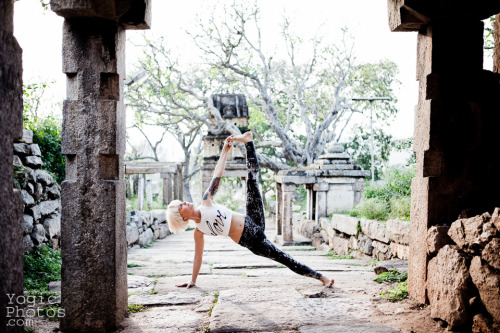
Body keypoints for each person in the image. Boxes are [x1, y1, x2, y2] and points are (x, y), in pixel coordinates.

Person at [166, 132, 334, 289]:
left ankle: (248, 142)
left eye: (182, 202)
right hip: (251, 241)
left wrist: (225, 150)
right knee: (284, 258)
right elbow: (197, 257)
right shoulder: (199, 231)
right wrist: (192, 280)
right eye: (181, 206)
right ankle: (321, 277)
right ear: (181, 217)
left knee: (252, 180)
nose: (185, 202)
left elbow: (218, 173)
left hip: (251, 219)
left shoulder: (206, 200)